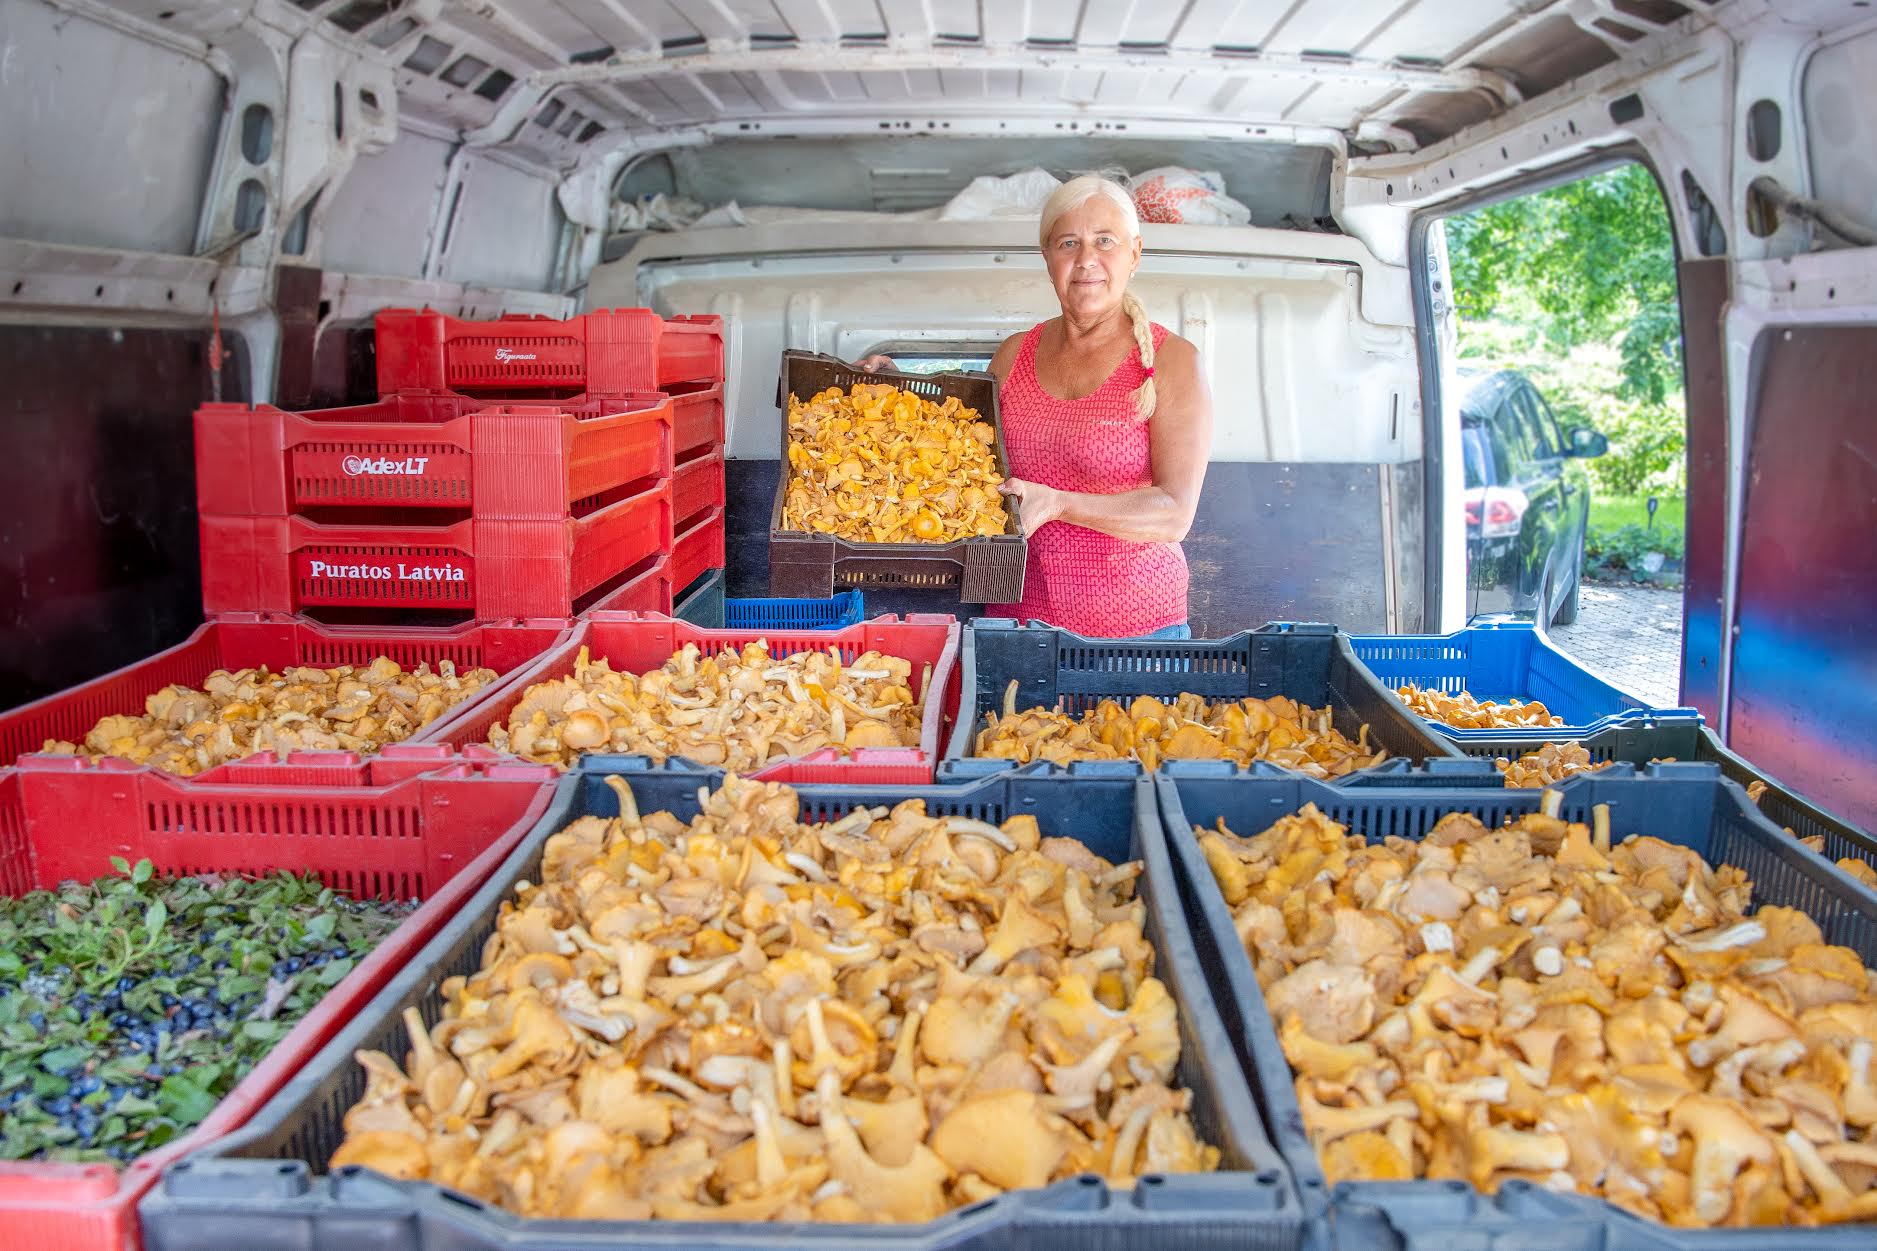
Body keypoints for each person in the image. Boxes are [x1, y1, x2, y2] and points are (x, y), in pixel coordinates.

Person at [858, 174, 1212, 638]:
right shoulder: (1014, 354)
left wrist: (1059, 503)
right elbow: (959, 447)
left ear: (1135, 253)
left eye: (1105, 241)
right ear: (1048, 259)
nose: (1087, 260)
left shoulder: (1172, 360)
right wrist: (888, 393)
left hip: (1136, 632)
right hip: (1013, 621)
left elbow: (1174, 513)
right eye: (1069, 243)